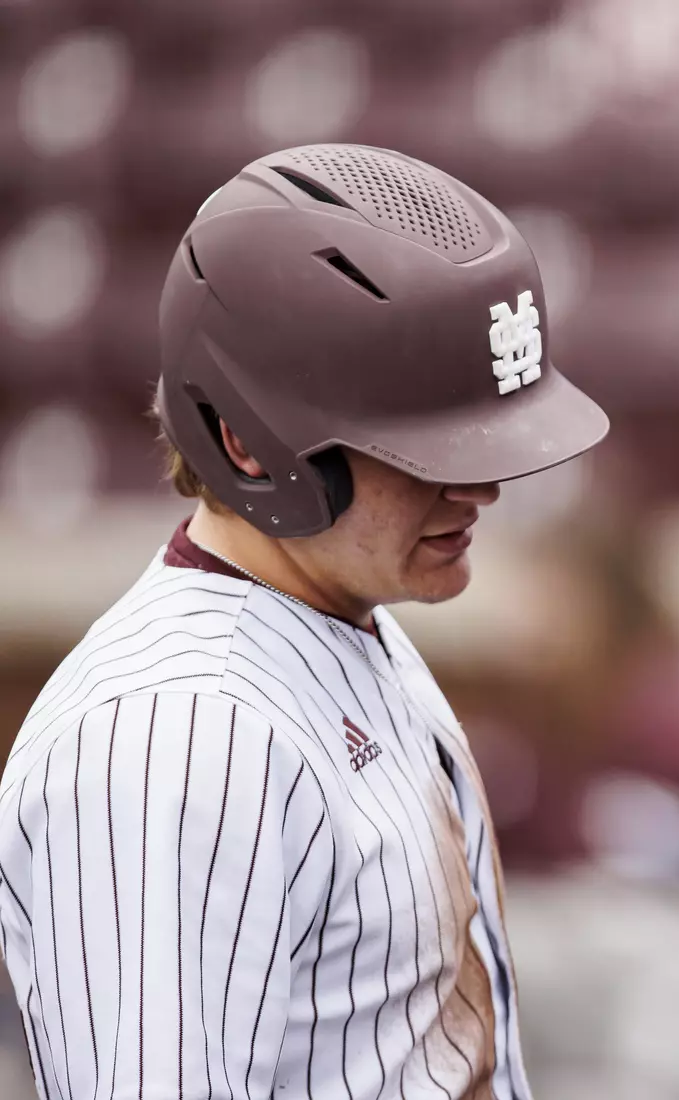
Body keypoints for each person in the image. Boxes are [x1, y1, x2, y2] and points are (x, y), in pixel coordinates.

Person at [0, 144, 609, 1099]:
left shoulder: (338, 614)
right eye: (426, 450)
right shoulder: (176, 736)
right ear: (247, 443)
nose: (483, 486)